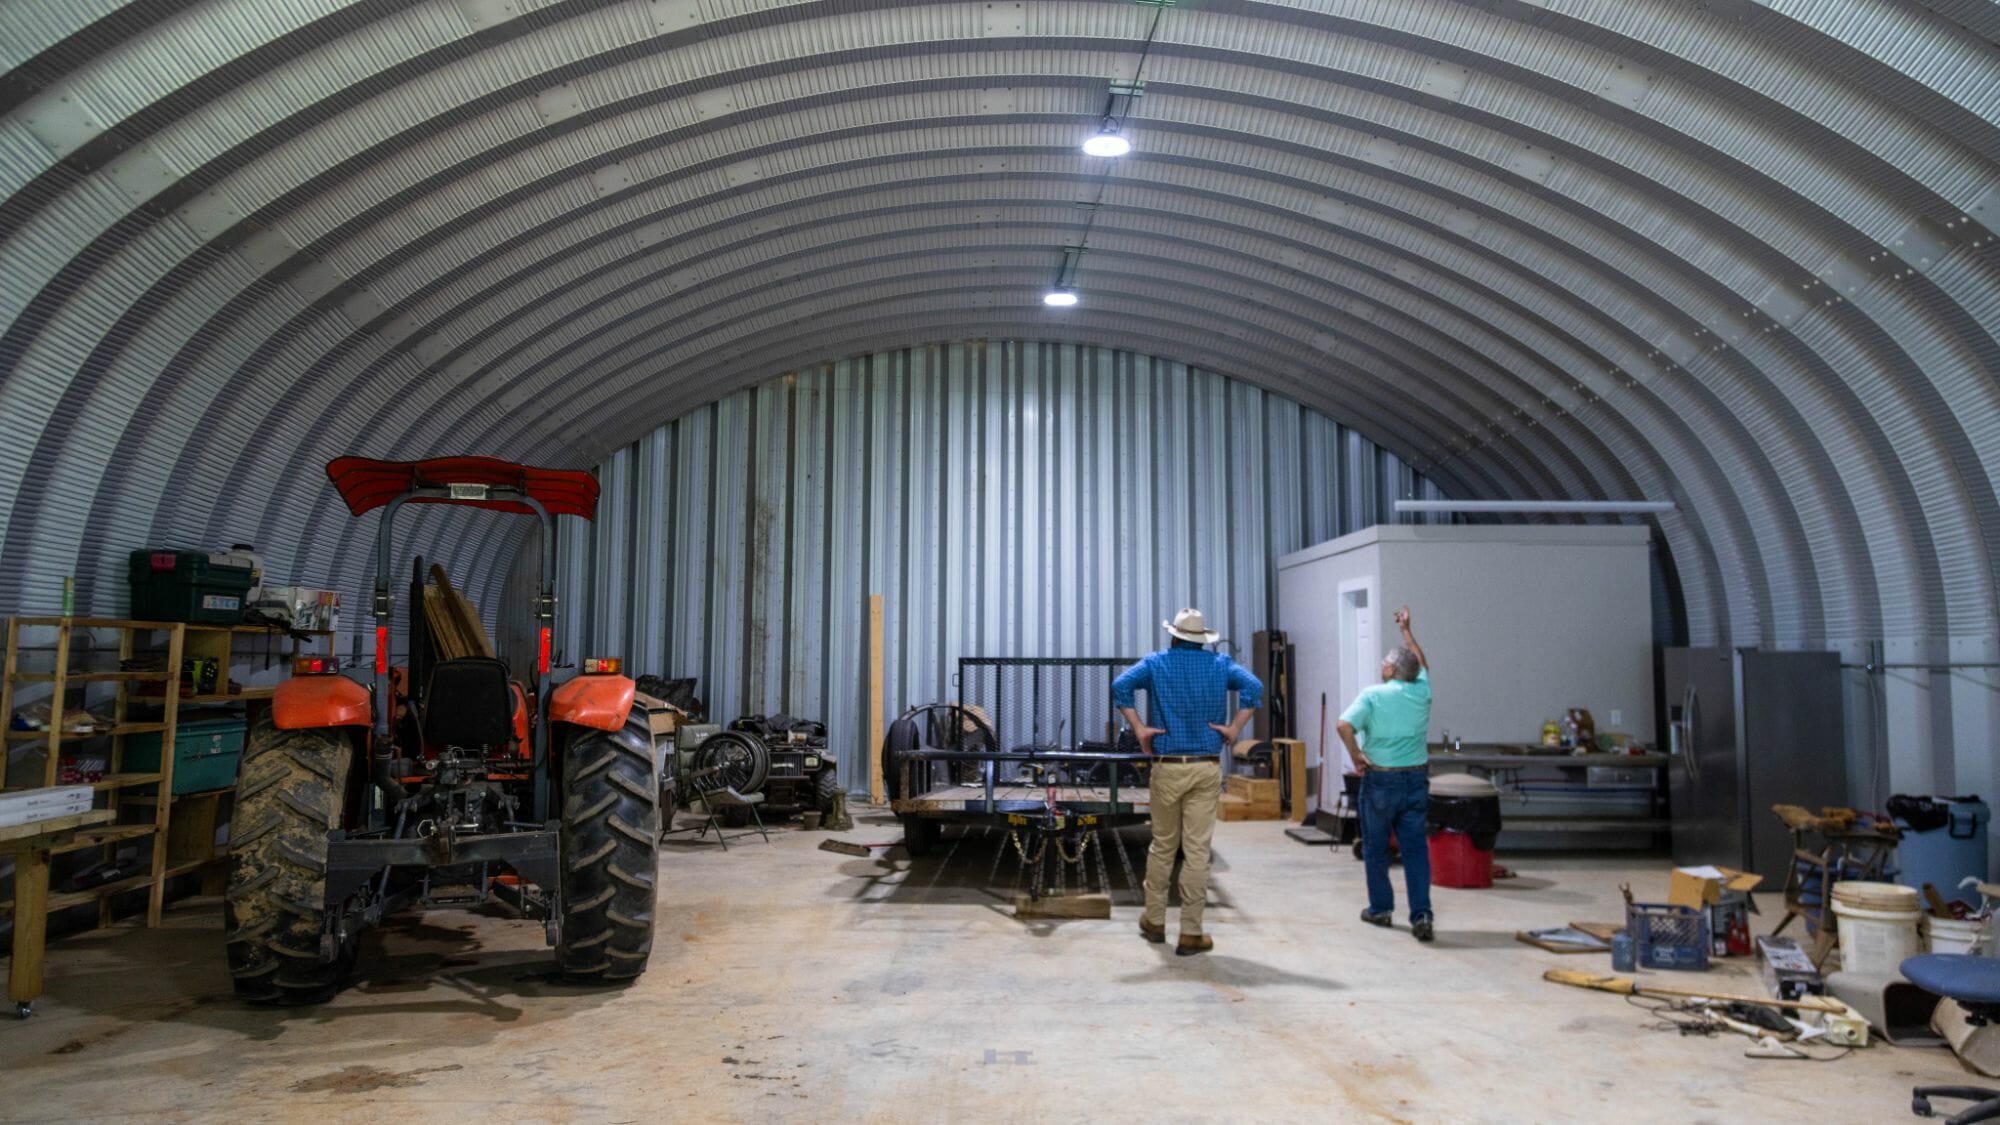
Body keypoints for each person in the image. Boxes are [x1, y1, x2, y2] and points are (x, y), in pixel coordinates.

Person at [1114, 608, 1263, 956]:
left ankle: (1154, 920)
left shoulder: (1156, 663)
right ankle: (1191, 932)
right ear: (1202, 639)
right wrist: (1234, 728)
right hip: (1205, 766)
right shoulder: (1221, 665)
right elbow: (1254, 687)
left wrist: (1140, 729)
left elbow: (1120, 686)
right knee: (1196, 851)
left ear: (1174, 636)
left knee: (1163, 845)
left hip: (1167, 766)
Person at [1336, 605, 1435, 942]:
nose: (1381, 666)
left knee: (1376, 847)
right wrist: (1407, 630)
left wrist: (1356, 756)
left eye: (1384, 663)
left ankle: (1381, 909)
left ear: (1391, 669)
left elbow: (1343, 725)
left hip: (1381, 781)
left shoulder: (1373, 695)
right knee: (1415, 850)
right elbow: (1421, 662)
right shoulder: (1422, 692)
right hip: (1416, 779)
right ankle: (1422, 915)